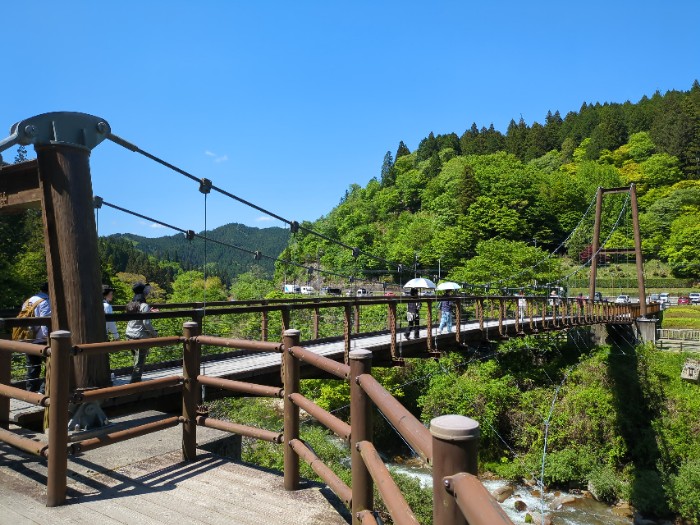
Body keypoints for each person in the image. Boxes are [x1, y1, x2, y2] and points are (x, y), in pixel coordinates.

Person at [21, 282, 52, 393]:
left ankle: (30, 391)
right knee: (51, 365)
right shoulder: (45, 302)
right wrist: (50, 338)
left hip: (28, 338)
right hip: (41, 340)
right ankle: (43, 391)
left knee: (32, 367)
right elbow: (46, 324)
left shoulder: (29, 300)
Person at [125, 282, 158, 383]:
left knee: (136, 359)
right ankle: (135, 383)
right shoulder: (144, 305)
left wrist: (148, 311)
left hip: (129, 335)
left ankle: (135, 379)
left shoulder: (131, 304)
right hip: (140, 337)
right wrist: (154, 334)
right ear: (143, 293)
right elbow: (146, 323)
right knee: (140, 361)